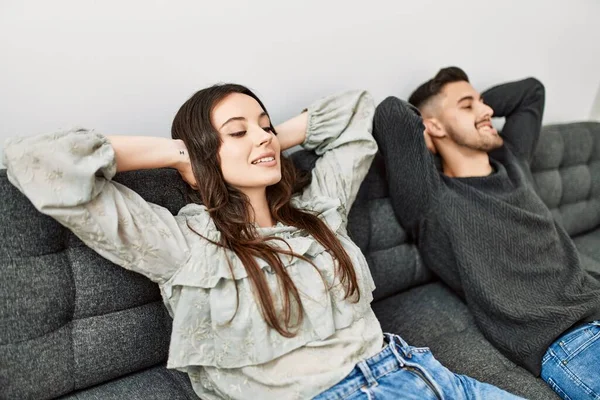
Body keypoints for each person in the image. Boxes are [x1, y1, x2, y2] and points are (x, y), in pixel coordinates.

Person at [3, 85, 521, 399]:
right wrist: (183, 152)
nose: (263, 139)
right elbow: (35, 161)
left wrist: (274, 134)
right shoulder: (184, 245)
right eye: (237, 132)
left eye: (265, 126)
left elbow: (364, 110)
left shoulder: (320, 213)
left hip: (429, 374)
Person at [372, 67, 600, 400]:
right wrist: (436, 122)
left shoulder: (512, 160)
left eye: (483, 102)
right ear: (431, 126)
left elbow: (531, 91)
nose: (488, 111)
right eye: (468, 105)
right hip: (570, 341)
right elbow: (392, 113)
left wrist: (469, 111)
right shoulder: (431, 200)